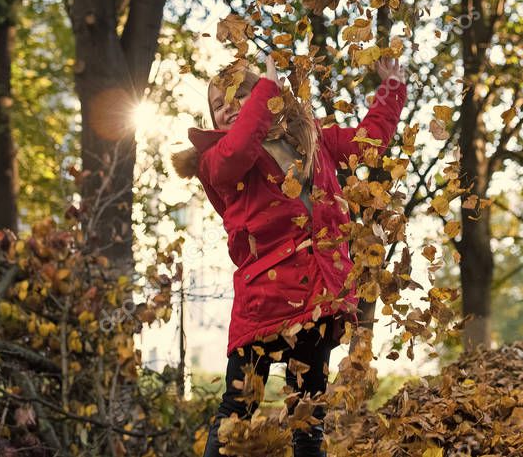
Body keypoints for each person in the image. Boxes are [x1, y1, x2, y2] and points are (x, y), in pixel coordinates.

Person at [172, 53, 407, 457]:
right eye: (218, 104)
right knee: (237, 409)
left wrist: (392, 88)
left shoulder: (309, 137)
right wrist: (265, 88)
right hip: (262, 302)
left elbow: (369, 143)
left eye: (236, 96)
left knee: (308, 416)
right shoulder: (216, 161)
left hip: (317, 297)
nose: (226, 107)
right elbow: (241, 146)